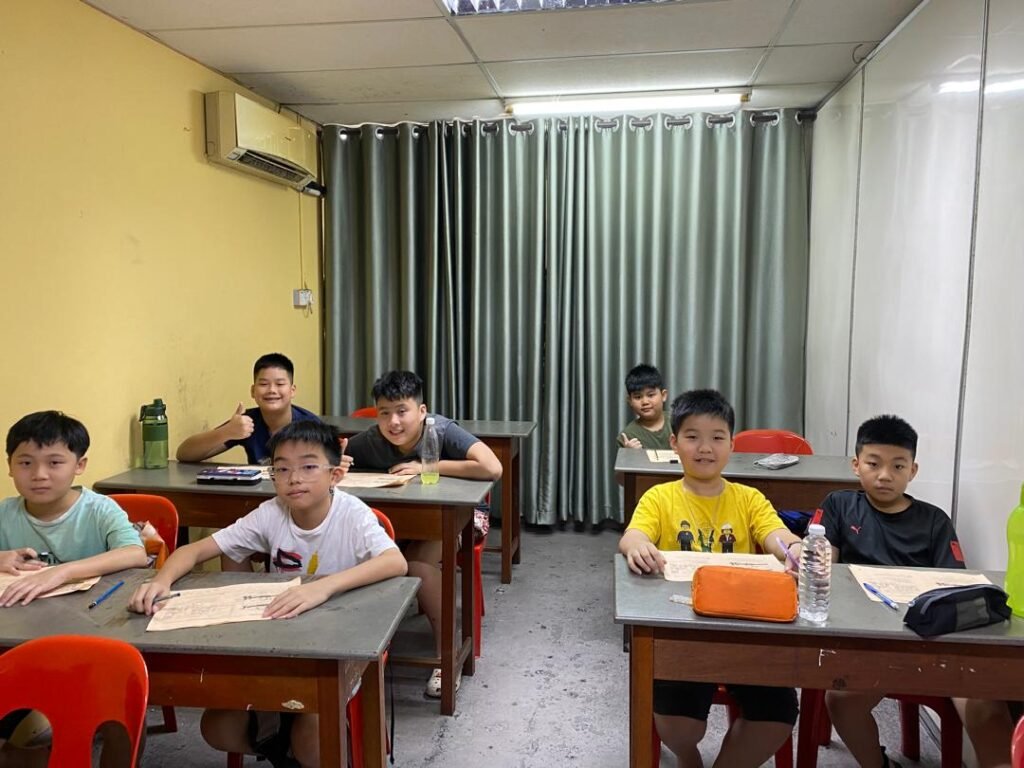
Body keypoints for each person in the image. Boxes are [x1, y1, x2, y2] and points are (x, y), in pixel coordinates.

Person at [130, 420, 407, 768]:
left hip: (337, 649)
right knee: (216, 727)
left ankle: (302, 739)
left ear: (335, 475)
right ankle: (284, 744)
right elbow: (196, 551)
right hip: (279, 640)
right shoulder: (271, 512)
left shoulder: (352, 514)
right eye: (282, 468)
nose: (294, 478)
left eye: (308, 467)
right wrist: (161, 580)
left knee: (313, 741)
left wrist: (323, 586)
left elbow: (395, 562)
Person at [618, 389, 800, 768]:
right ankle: (688, 756)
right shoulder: (659, 497)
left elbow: (776, 535)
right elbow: (633, 536)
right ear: (674, 442)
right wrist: (636, 546)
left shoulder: (749, 498)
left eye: (717, 437)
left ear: (732, 444)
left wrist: (794, 548)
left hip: (747, 627)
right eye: (692, 437)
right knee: (678, 725)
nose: (705, 448)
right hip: (684, 629)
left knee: (777, 714)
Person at [808, 414, 965, 768]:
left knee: (983, 696)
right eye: (873, 464)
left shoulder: (934, 520)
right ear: (856, 464)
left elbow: (952, 586)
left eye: (898, 466)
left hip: (915, 639)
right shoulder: (839, 505)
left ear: (913, 470)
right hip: (856, 634)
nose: (884, 475)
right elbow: (822, 568)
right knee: (840, 699)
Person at [0, 410, 148, 767]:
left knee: (118, 716)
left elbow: (136, 552)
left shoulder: (99, 510)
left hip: (92, 644)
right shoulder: (5, 512)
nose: (38, 475)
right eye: (25, 463)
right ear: (9, 466)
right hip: (17, 646)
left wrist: (62, 572)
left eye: (54, 462)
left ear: (79, 465)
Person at [344, 370, 502, 698]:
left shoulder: (442, 432)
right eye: (384, 413)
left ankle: (448, 653)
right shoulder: (372, 441)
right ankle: (353, 647)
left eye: (402, 411)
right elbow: (336, 463)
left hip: (459, 519)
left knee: (417, 564)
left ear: (422, 410)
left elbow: (492, 467)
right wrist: (337, 463)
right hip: (402, 524)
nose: (393, 422)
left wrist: (427, 467)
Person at [176, 353, 322, 465]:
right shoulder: (247, 422)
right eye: (263, 384)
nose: (271, 390)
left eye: (279, 384)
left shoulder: (311, 426)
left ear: (292, 390)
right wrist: (226, 432)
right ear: (253, 391)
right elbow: (184, 454)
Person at [618, 363, 671, 449]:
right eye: (638, 397)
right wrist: (628, 453)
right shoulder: (628, 436)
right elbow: (623, 462)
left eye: (650, 395)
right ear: (630, 401)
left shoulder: (679, 422)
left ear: (663, 395)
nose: (645, 402)